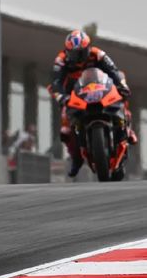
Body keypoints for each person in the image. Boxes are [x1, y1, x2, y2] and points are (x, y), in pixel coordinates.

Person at [50, 30, 135, 177]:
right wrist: (61, 97)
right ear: (68, 51)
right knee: (66, 129)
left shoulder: (98, 54)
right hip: (74, 94)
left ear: (88, 48)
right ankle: (76, 158)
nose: (78, 57)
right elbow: (56, 83)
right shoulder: (61, 61)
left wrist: (122, 85)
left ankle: (127, 128)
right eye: (74, 54)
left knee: (121, 90)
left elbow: (113, 71)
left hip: (100, 88)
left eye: (81, 53)